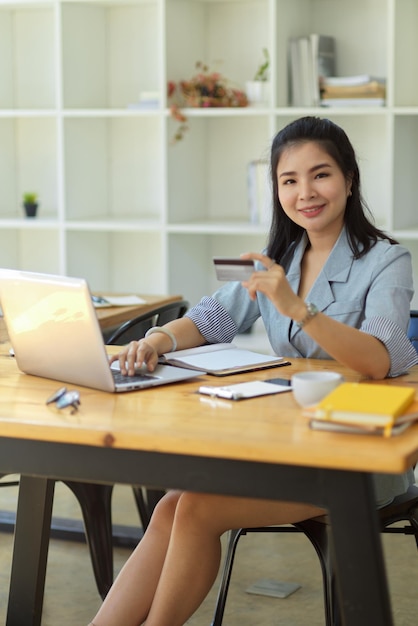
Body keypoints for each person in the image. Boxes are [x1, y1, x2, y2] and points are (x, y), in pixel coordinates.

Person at [88, 116, 418, 626]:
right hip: (285, 444)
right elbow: (209, 318)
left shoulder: (388, 260)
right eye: (289, 180)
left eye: (321, 174)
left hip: (358, 456)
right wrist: (155, 340)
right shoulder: (280, 258)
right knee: (171, 505)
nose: (305, 192)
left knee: (195, 509)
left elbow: (379, 358)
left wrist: (295, 306)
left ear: (350, 180)